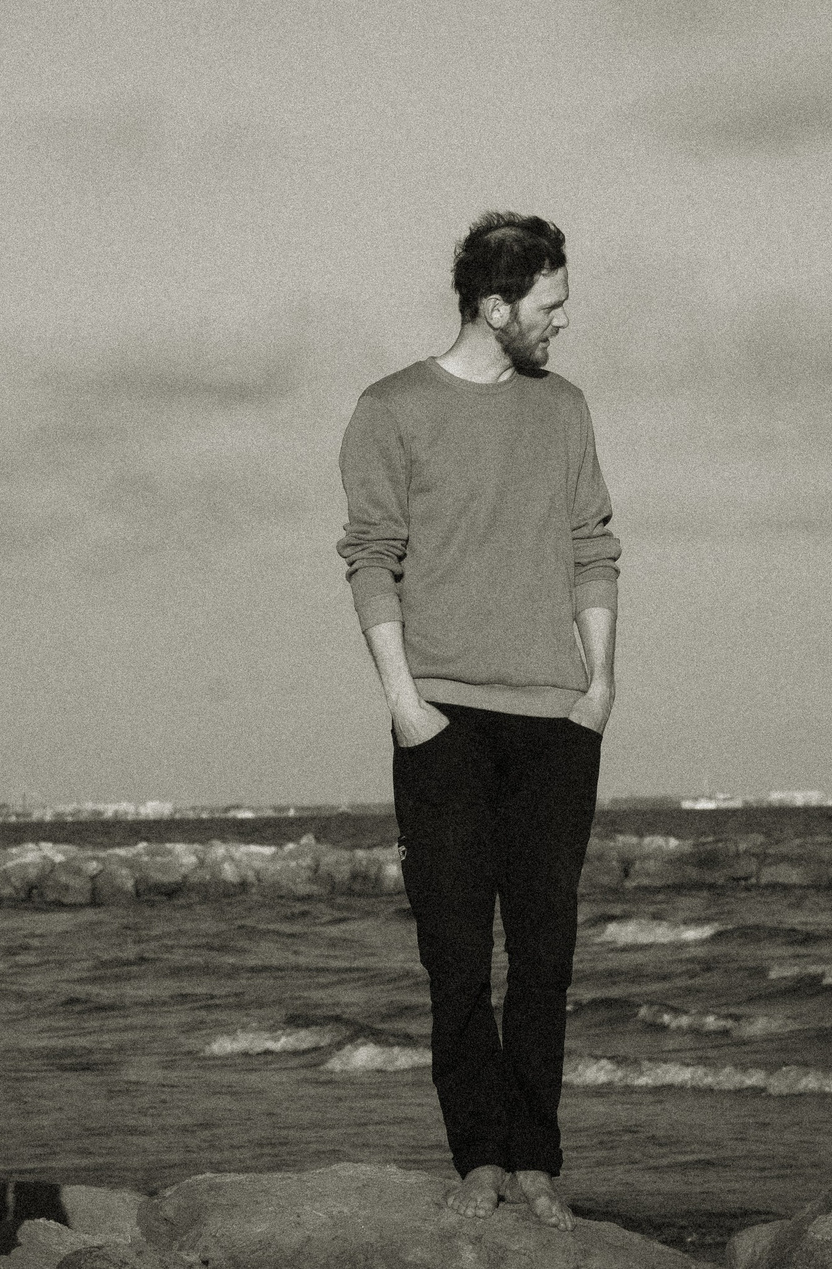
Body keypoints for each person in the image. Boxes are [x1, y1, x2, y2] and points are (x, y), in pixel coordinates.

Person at [335, 211, 621, 1232]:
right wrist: (406, 704)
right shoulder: (390, 409)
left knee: (544, 956)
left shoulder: (565, 410)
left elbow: (594, 546)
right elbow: (371, 557)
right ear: (494, 308)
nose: (562, 321)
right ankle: (476, 1159)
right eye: (549, 305)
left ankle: (535, 1160)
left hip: (554, 717)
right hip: (442, 718)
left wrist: (599, 687)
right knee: (456, 957)